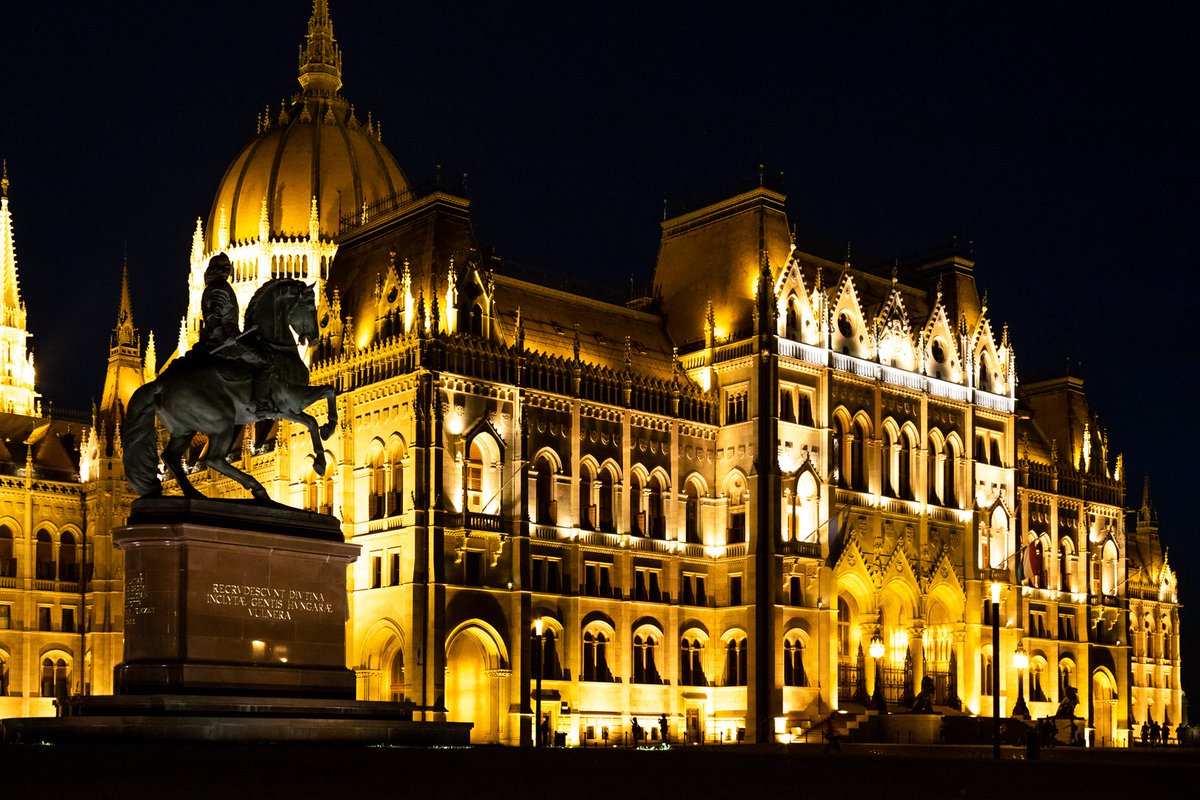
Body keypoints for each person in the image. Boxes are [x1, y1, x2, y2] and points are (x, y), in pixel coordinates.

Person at [199, 252, 275, 413]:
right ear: (219, 270)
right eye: (226, 268)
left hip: (218, 337)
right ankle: (261, 405)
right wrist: (224, 338)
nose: (228, 271)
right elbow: (214, 316)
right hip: (228, 340)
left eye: (229, 267)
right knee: (263, 363)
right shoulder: (221, 288)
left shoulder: (212, 288)